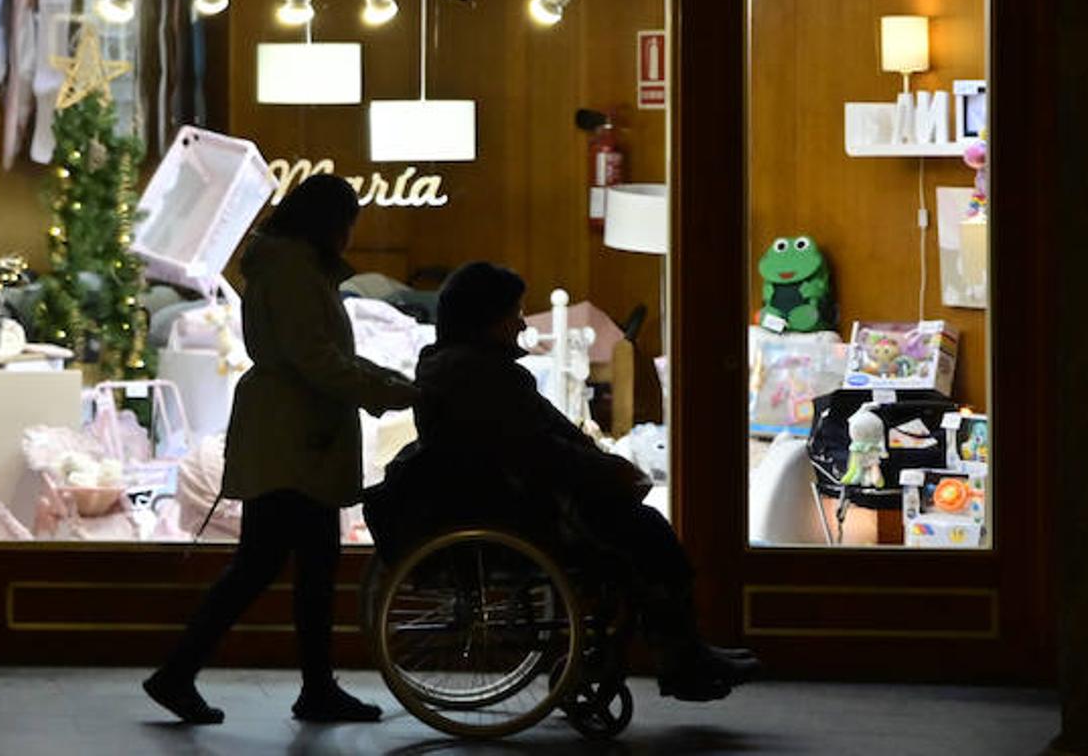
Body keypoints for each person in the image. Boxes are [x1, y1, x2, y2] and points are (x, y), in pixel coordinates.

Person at [408, 261, 761, 701]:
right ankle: (680, 657)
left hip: (516, 492)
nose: (521, 322)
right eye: (514, 313)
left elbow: (546, 433)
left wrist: (601, 463)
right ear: (490, 319)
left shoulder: (470, 368)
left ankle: (681, 651)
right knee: (646, 534)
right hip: (519, 504)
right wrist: (607, 470)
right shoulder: (479, 375)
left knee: (640, 529)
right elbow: (534, 448)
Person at [144, 175, 419, 724]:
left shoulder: (284, 264)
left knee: (289, 563)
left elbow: (313, 355)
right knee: (281, 564)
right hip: (297, 439)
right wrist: (389, 389)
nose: (348, 237)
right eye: (346, 224)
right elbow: (315, 358)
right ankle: (191, 674)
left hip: (293, 435)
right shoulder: (295, 270)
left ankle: (278, 682)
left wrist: (383, 384)